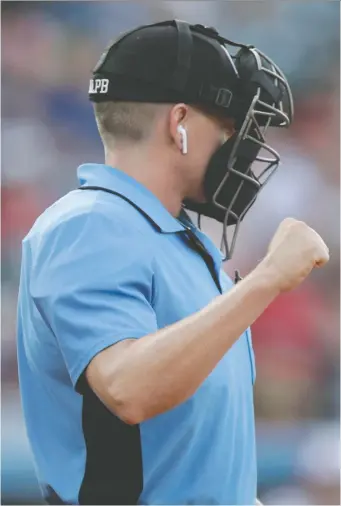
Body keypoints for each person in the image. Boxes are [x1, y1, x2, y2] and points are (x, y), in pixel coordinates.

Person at [16, 20, 329, 505]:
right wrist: (266, 280)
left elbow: (199, 458)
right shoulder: (88, 225)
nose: (240, 145)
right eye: (229, 126)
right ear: (178, 122)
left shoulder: (180, 240)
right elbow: (128, 389)